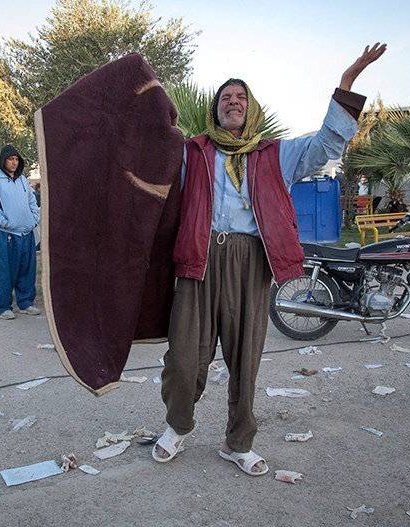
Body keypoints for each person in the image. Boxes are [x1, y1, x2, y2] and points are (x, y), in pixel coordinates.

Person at [152, 44, 387, 476]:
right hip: (198, 259)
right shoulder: (193, 152)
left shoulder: (275, 154)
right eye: (226, 98)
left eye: (241, 98)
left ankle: (238, 442)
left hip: (250, 261)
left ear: (251, 108)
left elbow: (326, 144)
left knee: (246, 359)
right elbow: (148, 167)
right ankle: (177, 425)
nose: (233, 103)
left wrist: (347, 85)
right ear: (215, 111)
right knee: (184, 358)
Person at [0, 145, 41, 319]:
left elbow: (31, 200)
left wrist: (33, 219)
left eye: (16, 159)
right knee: (5, 270)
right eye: (10, 159)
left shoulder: (22, 180)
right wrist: (4, 223)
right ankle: (4, 307)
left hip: (26, 232)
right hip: (5, 233)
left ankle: (25, 302)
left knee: (27, 269)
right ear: (3, 160)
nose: (14, 163)